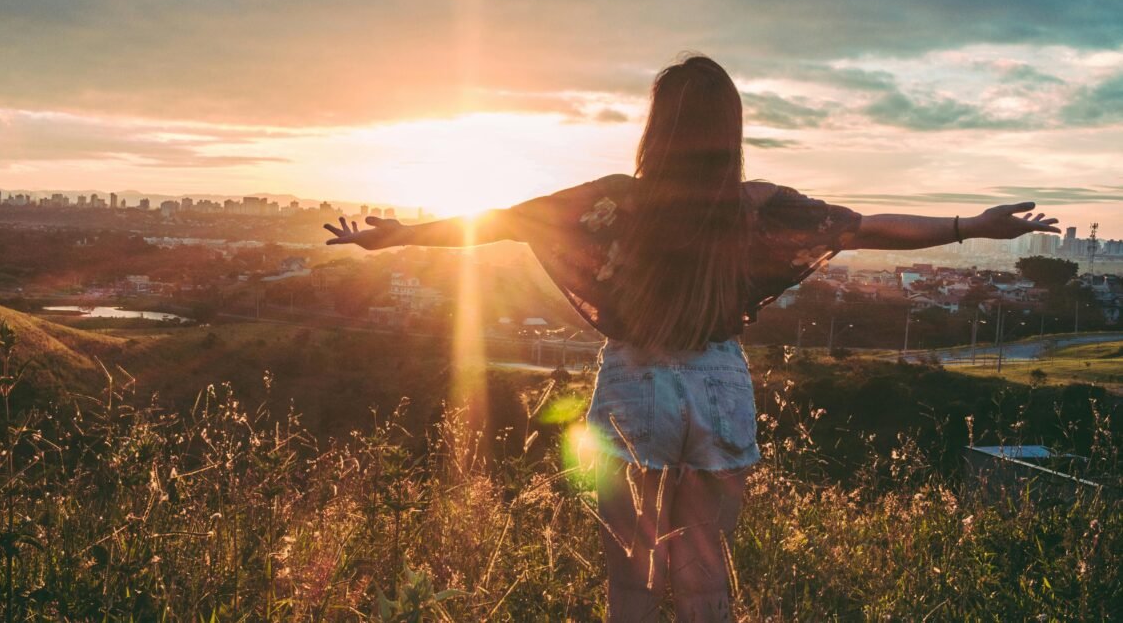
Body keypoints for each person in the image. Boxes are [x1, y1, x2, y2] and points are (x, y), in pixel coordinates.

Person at [323, 55, 1060, 622]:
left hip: (634, 385)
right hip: (718, 383)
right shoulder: (757, 207)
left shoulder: (612, 199)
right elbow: (866, 228)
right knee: (704, 563)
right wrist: (971, 225)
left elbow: (497, 220)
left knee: (632, 569)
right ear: (729, 130)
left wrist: (396, 238)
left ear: (658, 128)